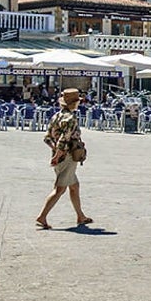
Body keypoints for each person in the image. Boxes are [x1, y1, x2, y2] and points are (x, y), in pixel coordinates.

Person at [36, 88, 92, 229]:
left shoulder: (56, 116)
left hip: (60, 155)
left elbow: (47, 138)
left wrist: (54, 150)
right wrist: (59, 154)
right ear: (74, 103)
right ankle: (42, 216)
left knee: (74, 186)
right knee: (59, 189)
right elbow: (64, 139)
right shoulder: (70, 118)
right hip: (67, 156)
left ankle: (80, 216)